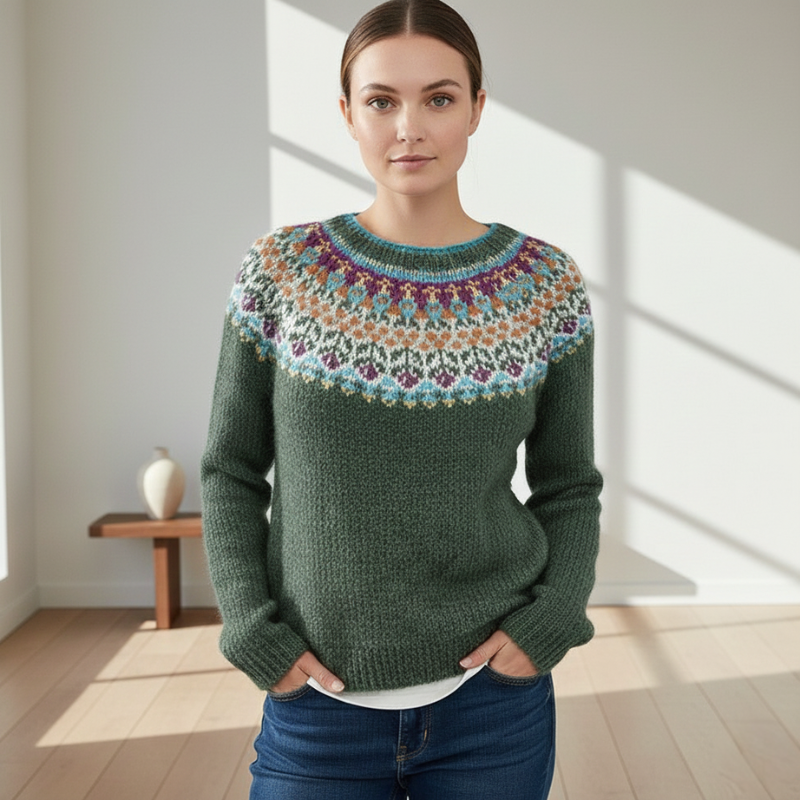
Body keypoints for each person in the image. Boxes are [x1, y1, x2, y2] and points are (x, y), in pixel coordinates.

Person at [201, 0, 602, 797]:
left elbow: (568, 485)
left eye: (440, 98)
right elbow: (231, 471)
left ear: (477, 110)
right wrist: (253, 634)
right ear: (348, 114)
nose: (409, 127)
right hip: (317, 703)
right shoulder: (281, 272)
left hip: (493, 703)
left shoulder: (545, 285)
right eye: (382, 100)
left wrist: (550, 622)